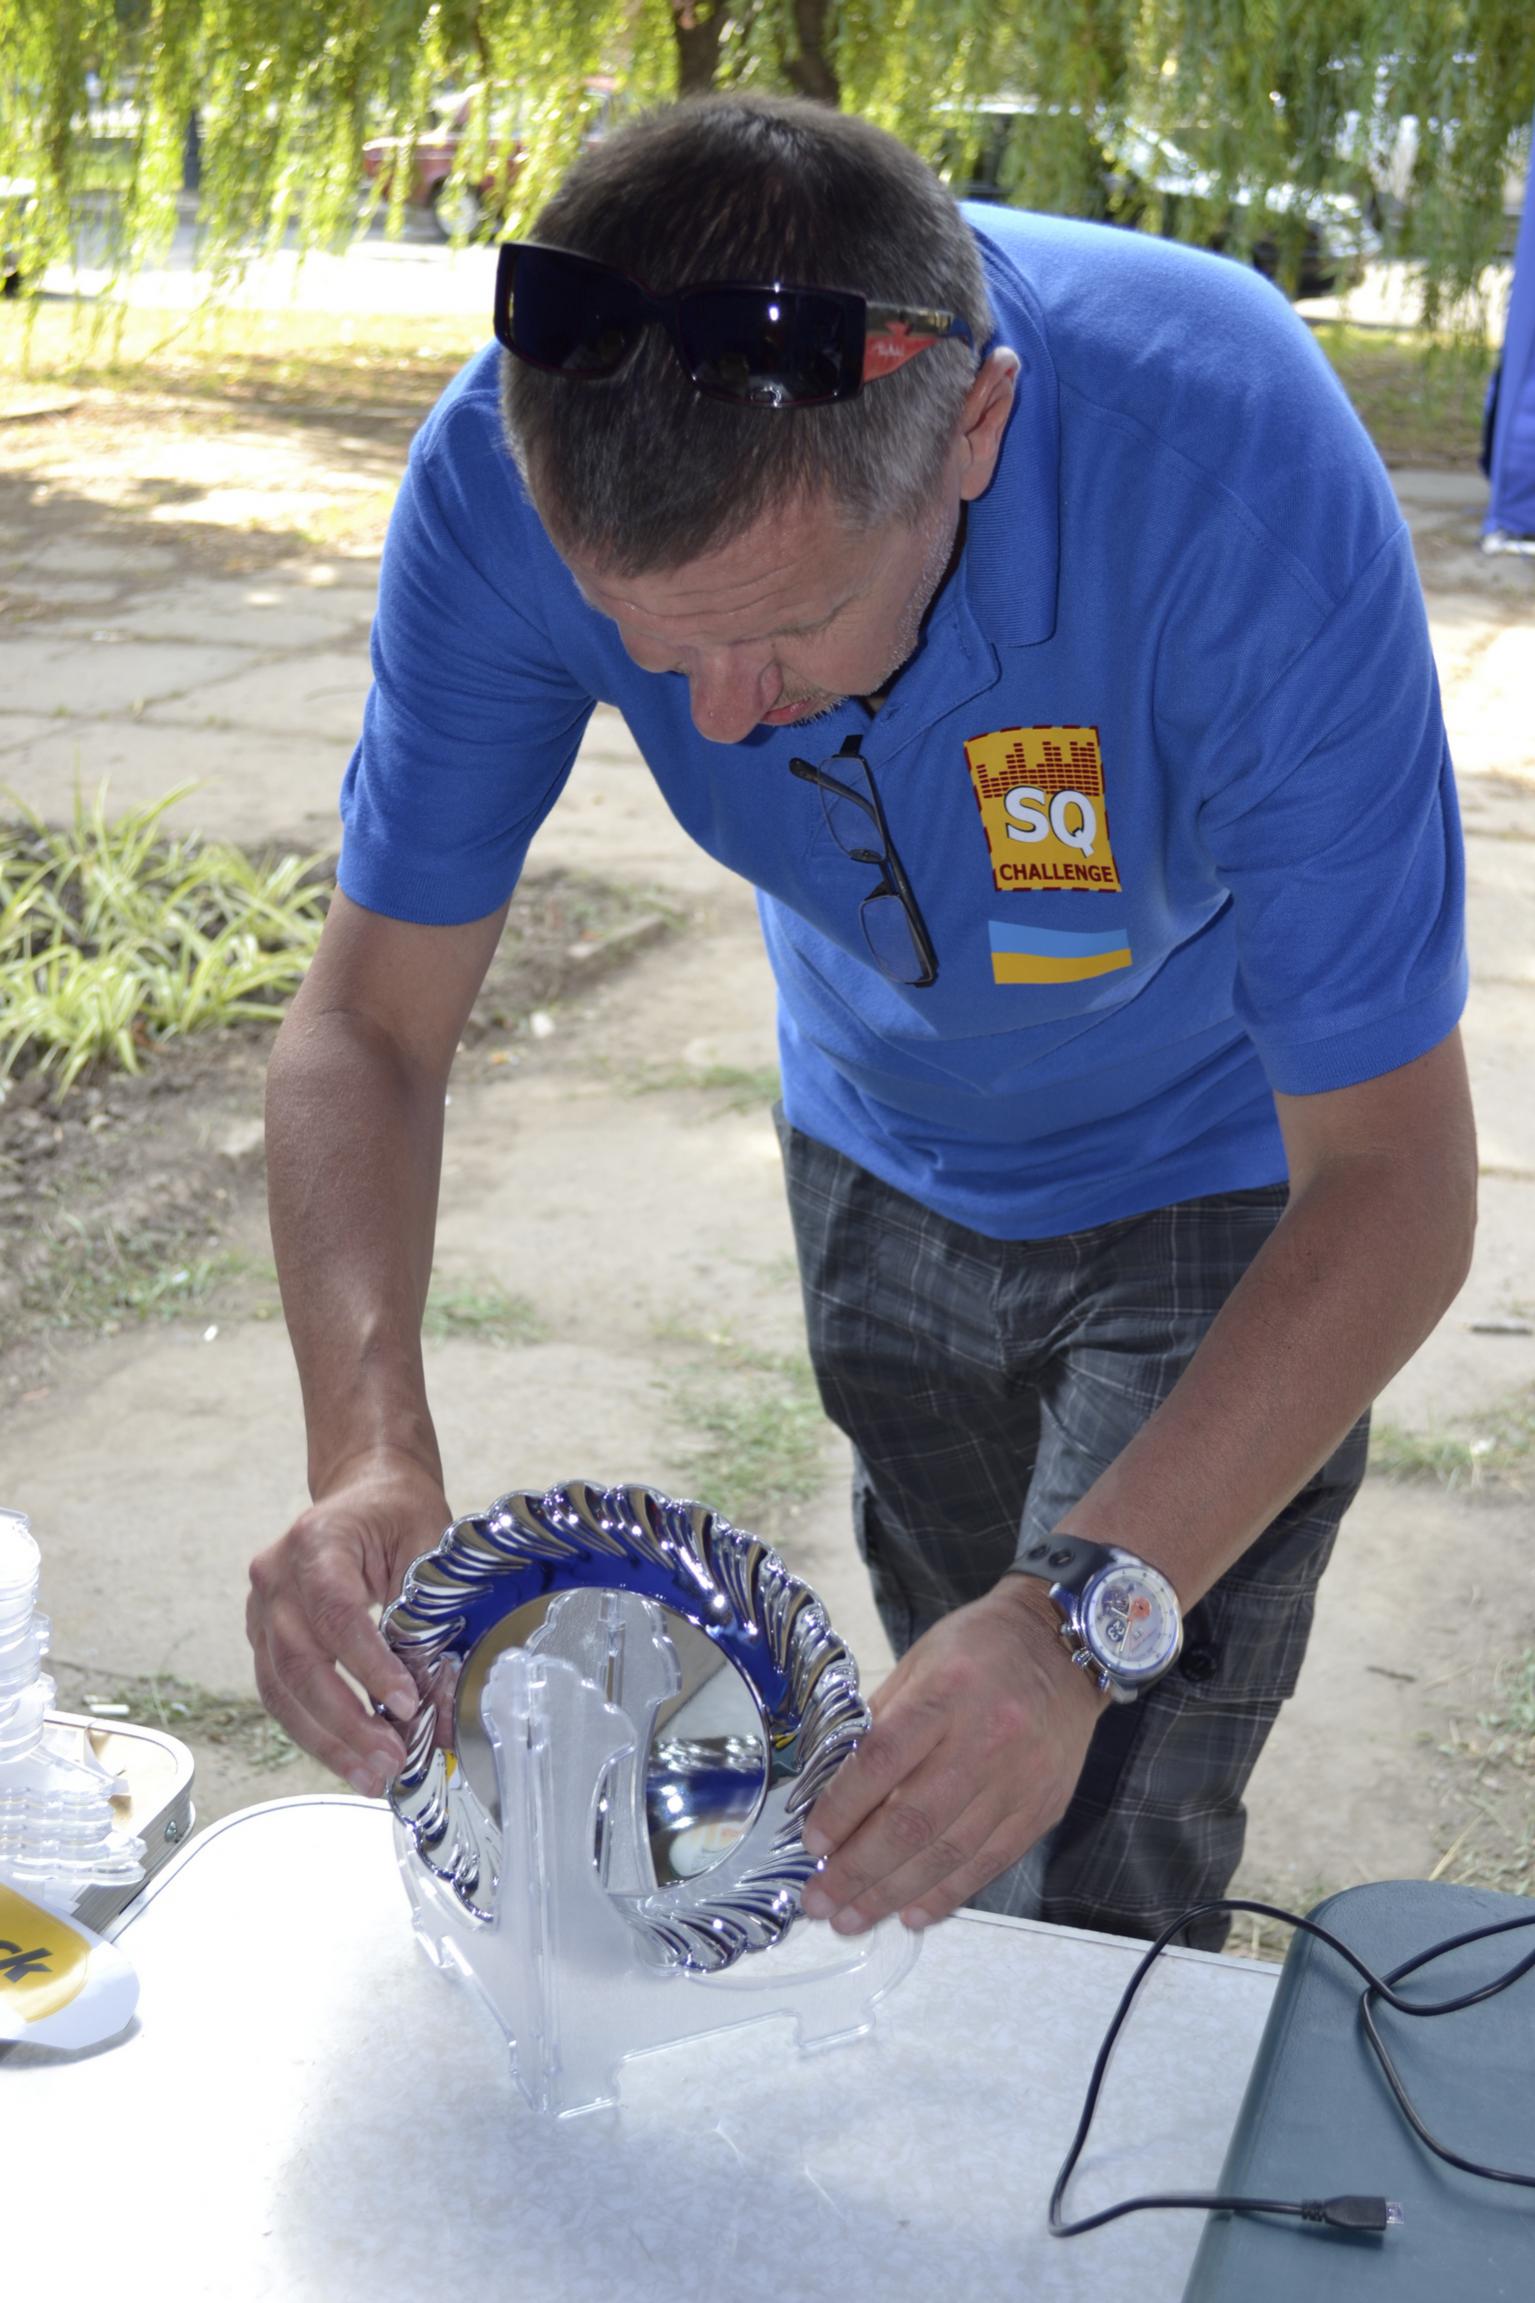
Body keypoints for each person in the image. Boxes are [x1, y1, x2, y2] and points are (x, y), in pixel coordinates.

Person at [248, 94, 1476, 1952]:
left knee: (1087, 1858)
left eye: (790, 628)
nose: (722, 718)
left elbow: (1397, 1178)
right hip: (876, 1151)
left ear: (973, 428)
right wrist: (366, 1451)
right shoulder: (499, 478)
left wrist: (1076, 1625)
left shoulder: (1226, 461)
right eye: (653, 646)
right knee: (933, 1780)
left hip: (1231, 1181)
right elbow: (368, 1025)